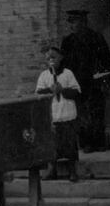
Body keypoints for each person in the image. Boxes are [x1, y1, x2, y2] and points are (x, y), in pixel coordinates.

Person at [60, 10, 110, 153]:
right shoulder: (68, 42)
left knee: (96, 112)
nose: (72, 26)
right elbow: (65, 65)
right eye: (70, 22)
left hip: (94, 83)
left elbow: (105, 62)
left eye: (74, 22)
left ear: (83, 22)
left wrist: (105, 82)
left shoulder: (96, 38)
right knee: (81, 114)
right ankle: (86, 143)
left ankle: (99, 143)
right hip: (77, 83)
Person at [35, 46, 81, 182]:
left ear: (60, 58)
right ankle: (52, 170)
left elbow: (76, 92)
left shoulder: (68, 74)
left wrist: (62, 89)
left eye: (54, 57)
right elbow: (38, 93)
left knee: (70, 144)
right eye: (48, 58)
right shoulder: (44, 75)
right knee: (52, 144)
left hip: (67, 115)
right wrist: (50, 90)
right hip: (53, 116)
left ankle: (72, 171)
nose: (51, 60)